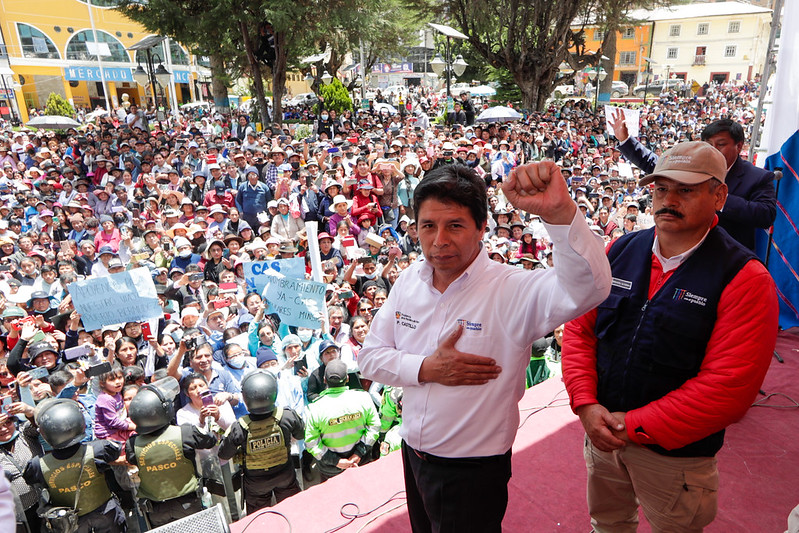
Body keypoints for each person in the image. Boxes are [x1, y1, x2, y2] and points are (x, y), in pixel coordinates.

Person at [359, 162, 612, 532]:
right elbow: (370, 358)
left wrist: (560, 214)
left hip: (473, 471)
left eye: (455, 225)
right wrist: (426, 368)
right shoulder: (409, 281)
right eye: (428, 226)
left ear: (481, 228)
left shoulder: (513, 288)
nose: (439, 240)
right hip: (412, 456)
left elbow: (590, 288)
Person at [561, 141, 779, 532]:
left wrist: (632, 424)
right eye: (661, 188)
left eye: (685, 189)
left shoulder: (744, 278)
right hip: (603, 434)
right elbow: (580, 330)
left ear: (719, 196)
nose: (668, 199)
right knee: (608, 524)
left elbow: (727, 389)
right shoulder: (621, 250)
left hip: (674, 456)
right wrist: (586, 404)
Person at [608, 110, 776, 251]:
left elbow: (765, 215)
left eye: (721, 144)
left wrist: (718, 199)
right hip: (684, 252)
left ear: (739, 147)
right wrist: (625, 140)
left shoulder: (758, 177)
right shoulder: (693, 165)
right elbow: (656, 164)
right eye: (708, 143)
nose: (713, 149)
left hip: (729, 258)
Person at [23, 399, 128, 532]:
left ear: (45, 433)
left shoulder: (37, 465)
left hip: (72, 524)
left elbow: (30, 479)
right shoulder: (99, 449)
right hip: (106, 515)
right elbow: (116, 451)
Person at [125, 378, 217, 527]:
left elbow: (132, 460)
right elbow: (211, 440)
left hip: (157, 510)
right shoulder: (185, 433)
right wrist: (210, 421)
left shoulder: (132, 444)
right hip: (188, 504)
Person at [218, 370, 305, 514]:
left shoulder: (239, 427)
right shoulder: (287, 416)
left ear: (246, 398)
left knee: (260, 521)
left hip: (256, 485)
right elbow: (300, 434)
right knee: (293, 513)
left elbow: (223, 454)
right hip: (285, 477)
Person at [304, 360, 380, 481]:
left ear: (324, 380)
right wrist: (358, 453)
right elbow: (375, 427)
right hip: (359, 462)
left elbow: (311, 443)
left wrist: (337, 461)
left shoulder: (314, 408)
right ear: (348, 378)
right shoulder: (363, 398)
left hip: (331, 470)